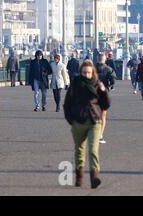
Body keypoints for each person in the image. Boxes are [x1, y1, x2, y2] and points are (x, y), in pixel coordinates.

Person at [63, 60, 110, 189]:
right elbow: (67, 103)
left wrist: (103, 91)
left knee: (93, 150)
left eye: (88, 73)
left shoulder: (97, 84)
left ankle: (94, 177)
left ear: (92, 72)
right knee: (79, 150)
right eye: (84, 72)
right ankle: (79, 176)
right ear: (81, 72)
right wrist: (70, 119)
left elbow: (106, 105)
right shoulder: (76, 84)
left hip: (94, 121)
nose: (86, 75)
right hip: (78, 122)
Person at [95, 54, 116, 144]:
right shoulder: (108, 69)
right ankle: (100, 135)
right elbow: (113, 80)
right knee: (103, 115)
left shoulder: (92, 68)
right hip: (104, 93)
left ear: (97, 59)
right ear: (105, 60)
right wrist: (110, 86)